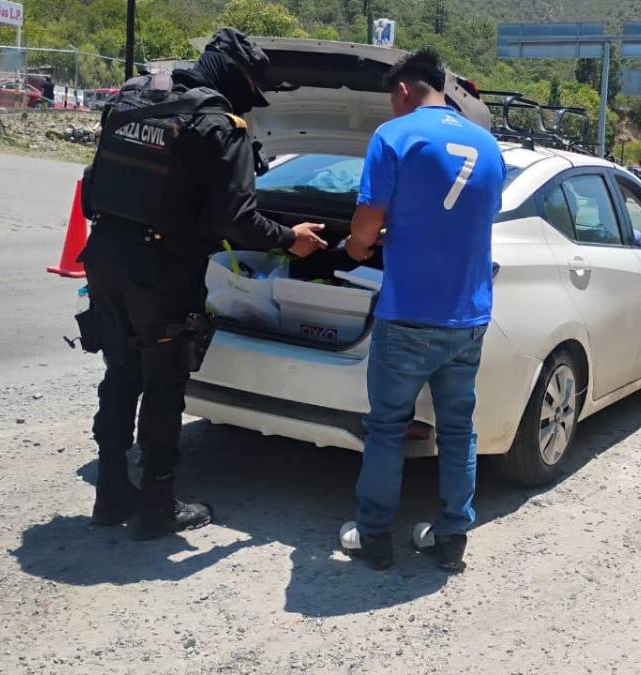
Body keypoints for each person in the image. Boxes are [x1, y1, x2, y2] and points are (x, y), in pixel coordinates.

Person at [78, 28, 327, 540]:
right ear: (237, 77)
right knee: (164, 383)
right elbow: (239, 222)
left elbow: (94, 179)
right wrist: (291, 239)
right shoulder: (220, 124)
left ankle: (110, 493)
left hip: (104, 254)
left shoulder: (133, 96)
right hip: (161, 269)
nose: (250, 106)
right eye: (250, 93)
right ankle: (157, 506)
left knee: (122, 371)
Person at [338, 48, 505, 572]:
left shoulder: (396, 135)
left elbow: (368, 218)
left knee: (387, 427)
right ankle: (451, 536)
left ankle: (374, 537)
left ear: (405, 91)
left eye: (393, 99)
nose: (393, 108)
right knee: (459, 429)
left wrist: (356, 247)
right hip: (469, 317)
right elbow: (468, 216)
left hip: (408, 315)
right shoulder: (489, 145)